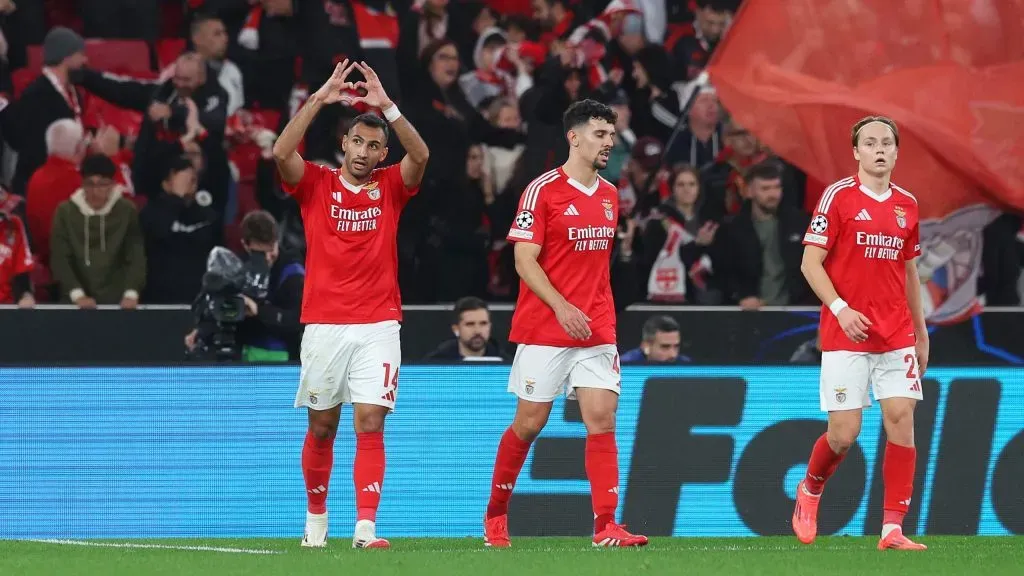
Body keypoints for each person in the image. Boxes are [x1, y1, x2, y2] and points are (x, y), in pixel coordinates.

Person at [272, 60, 429, 549]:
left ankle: (366, 527)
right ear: (344, 143)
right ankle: (316, 521)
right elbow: (280, 152)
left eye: (374, 145)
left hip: (380, 323)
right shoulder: (316, 184)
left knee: (370, 419)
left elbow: (421, 156)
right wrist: (319, 99)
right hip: (323, 324)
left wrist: (388, 107)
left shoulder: (390, 188)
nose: (364, 152)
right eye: (357, 142)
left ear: (383, 152)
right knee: (322, 426)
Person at [483, 99, 648, 548]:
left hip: (596, 327)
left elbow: (598, 269)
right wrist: (561, 307)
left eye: (611, 136)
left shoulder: (612, 195)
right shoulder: (542, 191)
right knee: (530, 423)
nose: (608, 143)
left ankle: (606, 526)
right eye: (600, 134)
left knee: (602, 419)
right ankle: (496, 514)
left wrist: (591, 311)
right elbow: (523, 259)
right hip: (545, 326)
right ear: (573, 137)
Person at [793, 116, 928, 551]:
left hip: (896, 334)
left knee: (901, 420)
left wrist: (921, 334)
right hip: (845, 332)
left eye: (887, 142)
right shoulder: (838, 197)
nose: (879, 149)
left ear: (896, 151)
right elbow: (810, 263)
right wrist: (841, 308)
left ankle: (892, 528)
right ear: (856, 152)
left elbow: (910, 273)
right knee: (844, 434)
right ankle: (811, 489)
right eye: (870, 143)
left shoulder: (907, 204)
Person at [422, 296, 506, 360]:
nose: (477, 331)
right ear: (456, 329)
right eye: (470, 324)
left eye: (483, 323)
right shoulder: (434, 364)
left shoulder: (509, 364)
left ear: (490, 326)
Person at [620, 315, 690, 363]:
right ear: (646, 346)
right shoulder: (625, 365)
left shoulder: (686, 364)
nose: (673, 355)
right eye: (665, 347)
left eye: (676, 346)